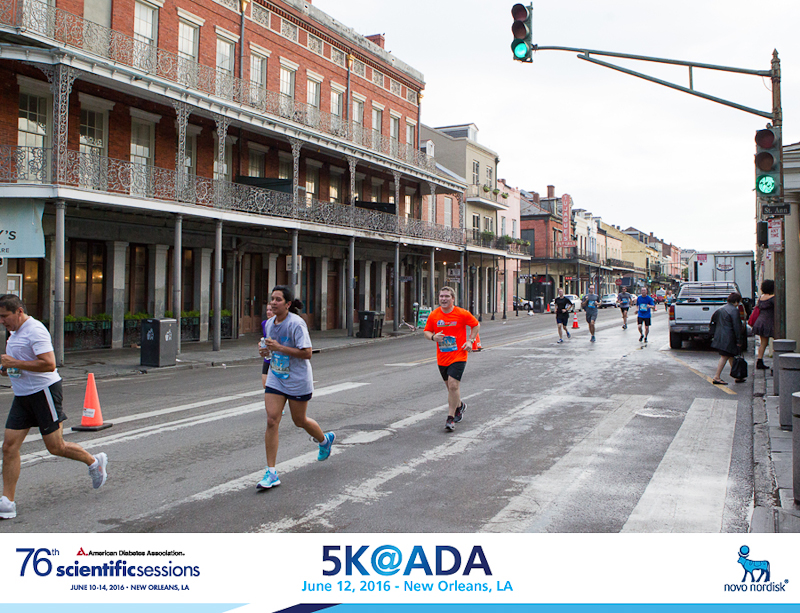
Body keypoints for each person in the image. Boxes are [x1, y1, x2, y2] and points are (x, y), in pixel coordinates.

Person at [0, 294, 108, 520]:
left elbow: (49, 364)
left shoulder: (35, 330)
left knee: (56, 447)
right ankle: (7, 502)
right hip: (22, 395)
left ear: (19, 311)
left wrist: (15, 363)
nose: (2, 321)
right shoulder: (15, 332)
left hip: (44, 393)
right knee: (9, 447)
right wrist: (6, 368)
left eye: (4, 316)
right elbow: (19, 361)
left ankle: (94, 462)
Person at [256, 286, 334, 490]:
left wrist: (279, 347)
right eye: (272, 299)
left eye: (278, 299)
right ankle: (271, 472)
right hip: (276, 376)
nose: (273, 303)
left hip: (297, 379)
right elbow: (271, 352)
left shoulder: (296, 324)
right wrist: (264, 351)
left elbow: (307, 353)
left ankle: (324, 440)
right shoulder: (270, 324)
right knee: (272, 420)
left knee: (299, 421)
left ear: (288, 304)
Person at [423, 286, 480, 432]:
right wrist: (433, 337)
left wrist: (470, 341)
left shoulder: (461, 313)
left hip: (459, 355)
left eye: (447, 296)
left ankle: (450, 418)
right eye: (441, 296)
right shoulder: (434, 315)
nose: (444, 299)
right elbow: (427, 331)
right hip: (442, 357)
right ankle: (460, 405)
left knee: (454, 386)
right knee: (450, 388)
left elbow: (475, 325)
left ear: (453, 298)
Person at [711, 292, 746, 385]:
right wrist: (739, 340)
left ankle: (737, 376)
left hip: (720, 336)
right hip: (729, 337)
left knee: (731, 355)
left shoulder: (721, 309)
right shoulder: (734, 311)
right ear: (736, 301)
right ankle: (717, 377)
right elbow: (737, 327)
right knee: (725, 356)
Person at [753, 279, 775, 370]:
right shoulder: (773, 298)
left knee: (763, 343)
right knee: (777, 341)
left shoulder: (761, 298)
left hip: (760, 322)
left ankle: (759, 360)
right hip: (770, 322)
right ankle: (776, 362)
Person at [260, 302, 275, 388]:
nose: (268, 312)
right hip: (268, 357)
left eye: (271, 310)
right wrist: (261, 344)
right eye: (267, 310)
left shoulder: (280, 325)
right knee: (265, 384)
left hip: (278, 358)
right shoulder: (264, 324)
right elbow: (265, 337)